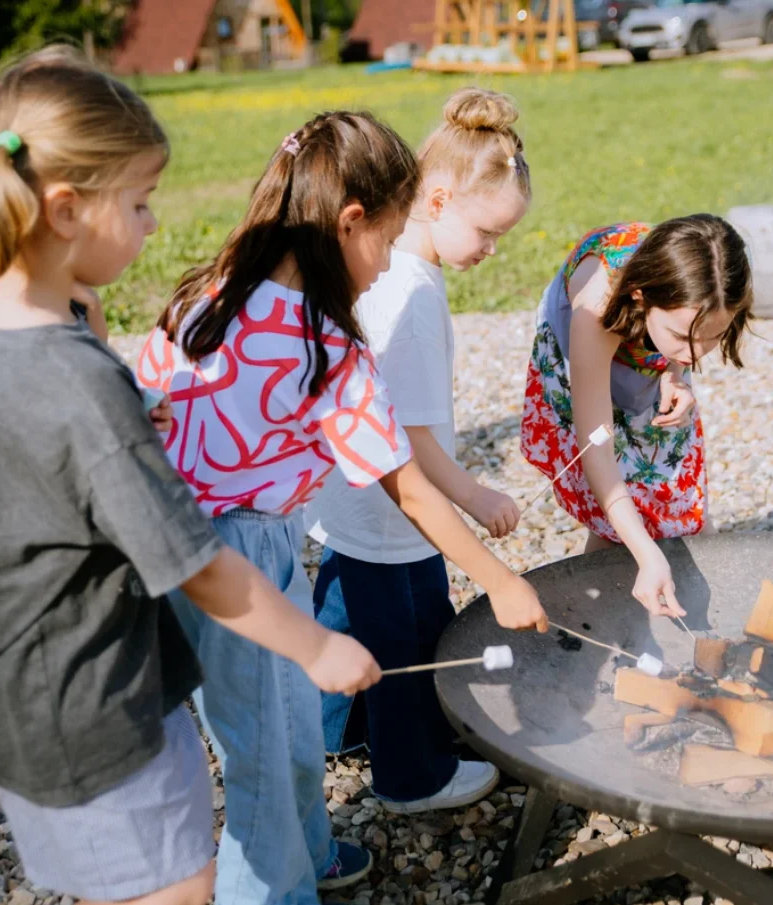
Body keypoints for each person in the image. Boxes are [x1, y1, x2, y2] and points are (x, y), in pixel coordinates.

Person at [0, 47, 380, 905]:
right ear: (64, 210)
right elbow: (200, 567)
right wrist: (316, 645)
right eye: (138, 203)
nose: (152, 225)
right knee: (174, 886)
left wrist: (114, 404)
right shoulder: (83, 388)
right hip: (92, 694)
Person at [137, 110, 548, 905]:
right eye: (386, 242)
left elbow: (149, 417)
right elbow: (410, 485)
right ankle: (273, 888)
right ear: (351, 221)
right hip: (241, 560)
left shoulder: (210, 291)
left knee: (285, 725)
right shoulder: (329, 343)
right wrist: (498, 579)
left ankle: (312, 850)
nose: (387, 262)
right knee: (262, 761)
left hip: (193, 544)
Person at [306, 88, 531, 814]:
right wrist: (475, 497)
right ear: (435, 199)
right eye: (486, 234)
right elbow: (410, 442)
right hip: (391, 507)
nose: (489, 253)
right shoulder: (412, 296)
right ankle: (412, 775)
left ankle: (331, 732)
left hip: (346, 500)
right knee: (409, 636)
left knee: (344, 604)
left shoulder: (391, 271)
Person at [520, 217, 753, 617]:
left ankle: (674, 602)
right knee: (618, 510)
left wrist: (674, 372)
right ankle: (601, 615)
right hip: (586, 355)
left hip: (640, 339)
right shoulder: (596, 310)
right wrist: (645, 550)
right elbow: (596, 449)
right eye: (683, 339)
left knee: (674, 493)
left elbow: (688, 339)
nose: (698, 354)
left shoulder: (699, 295)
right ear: (642, 298)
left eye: (714, 337)